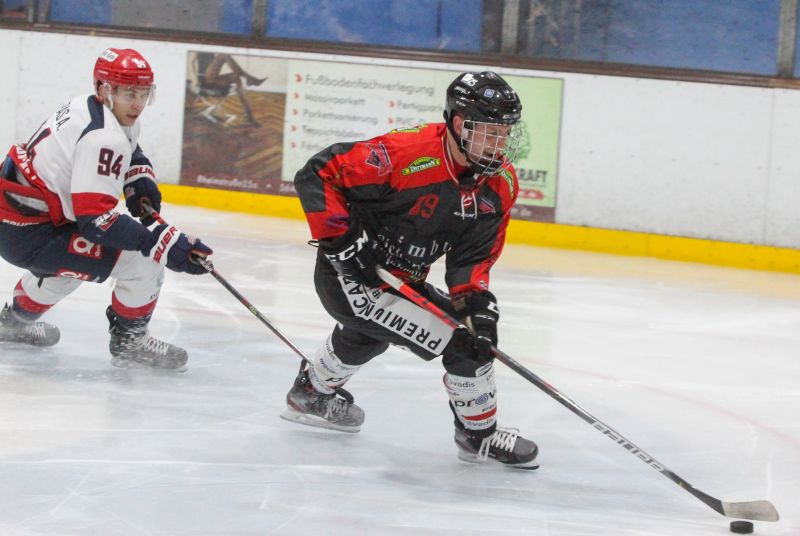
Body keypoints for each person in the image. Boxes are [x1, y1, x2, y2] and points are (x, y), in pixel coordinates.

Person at [281, 71, 538, 469]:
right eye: (490, 132)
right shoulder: (405, 154)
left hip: (401, 279)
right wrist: (342, 240)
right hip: (351, 277)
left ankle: (311, 392)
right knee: (462, 345)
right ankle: (478, 437)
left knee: (371, 337)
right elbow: (316, 174)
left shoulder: (500, 184)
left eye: (504, 133)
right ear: (458, 124)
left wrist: (477, 305)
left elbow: (471, 260)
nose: (499, 144)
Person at [0, 47, 213, 371]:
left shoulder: (88, 106)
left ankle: (12, 322)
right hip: (33, 234)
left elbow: (128, 146)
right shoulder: (104, 136)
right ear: (105, 89)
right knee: (144, 262)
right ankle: (129, 342)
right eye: (130, 93)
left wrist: (137, 174)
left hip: (21, 222)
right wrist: (160, 242)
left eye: (144, 93)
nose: (138, 103)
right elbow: (96, 222)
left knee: (70, 268)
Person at [196, 53, 265, 128]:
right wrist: (194, 80)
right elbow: (190, 63)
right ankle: (249, 79)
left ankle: (250, 116)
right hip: (204, 78)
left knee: (235, 76)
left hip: (212, 78)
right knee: (223, 55)